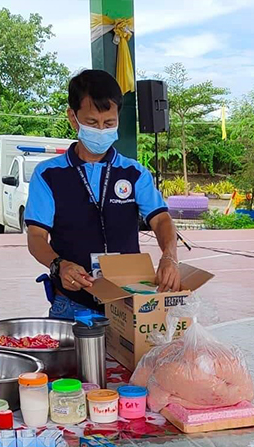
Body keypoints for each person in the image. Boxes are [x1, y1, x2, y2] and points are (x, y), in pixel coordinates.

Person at [25, 69, 180, 317]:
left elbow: (161, 219)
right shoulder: (48, 175)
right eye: (91, 123)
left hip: (129, 303)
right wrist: (58, 265)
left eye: (109, 123)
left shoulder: (134, 173)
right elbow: (36, 237)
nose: (101, 130)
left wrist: (169, 256)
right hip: (73, 305)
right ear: (73, 118)